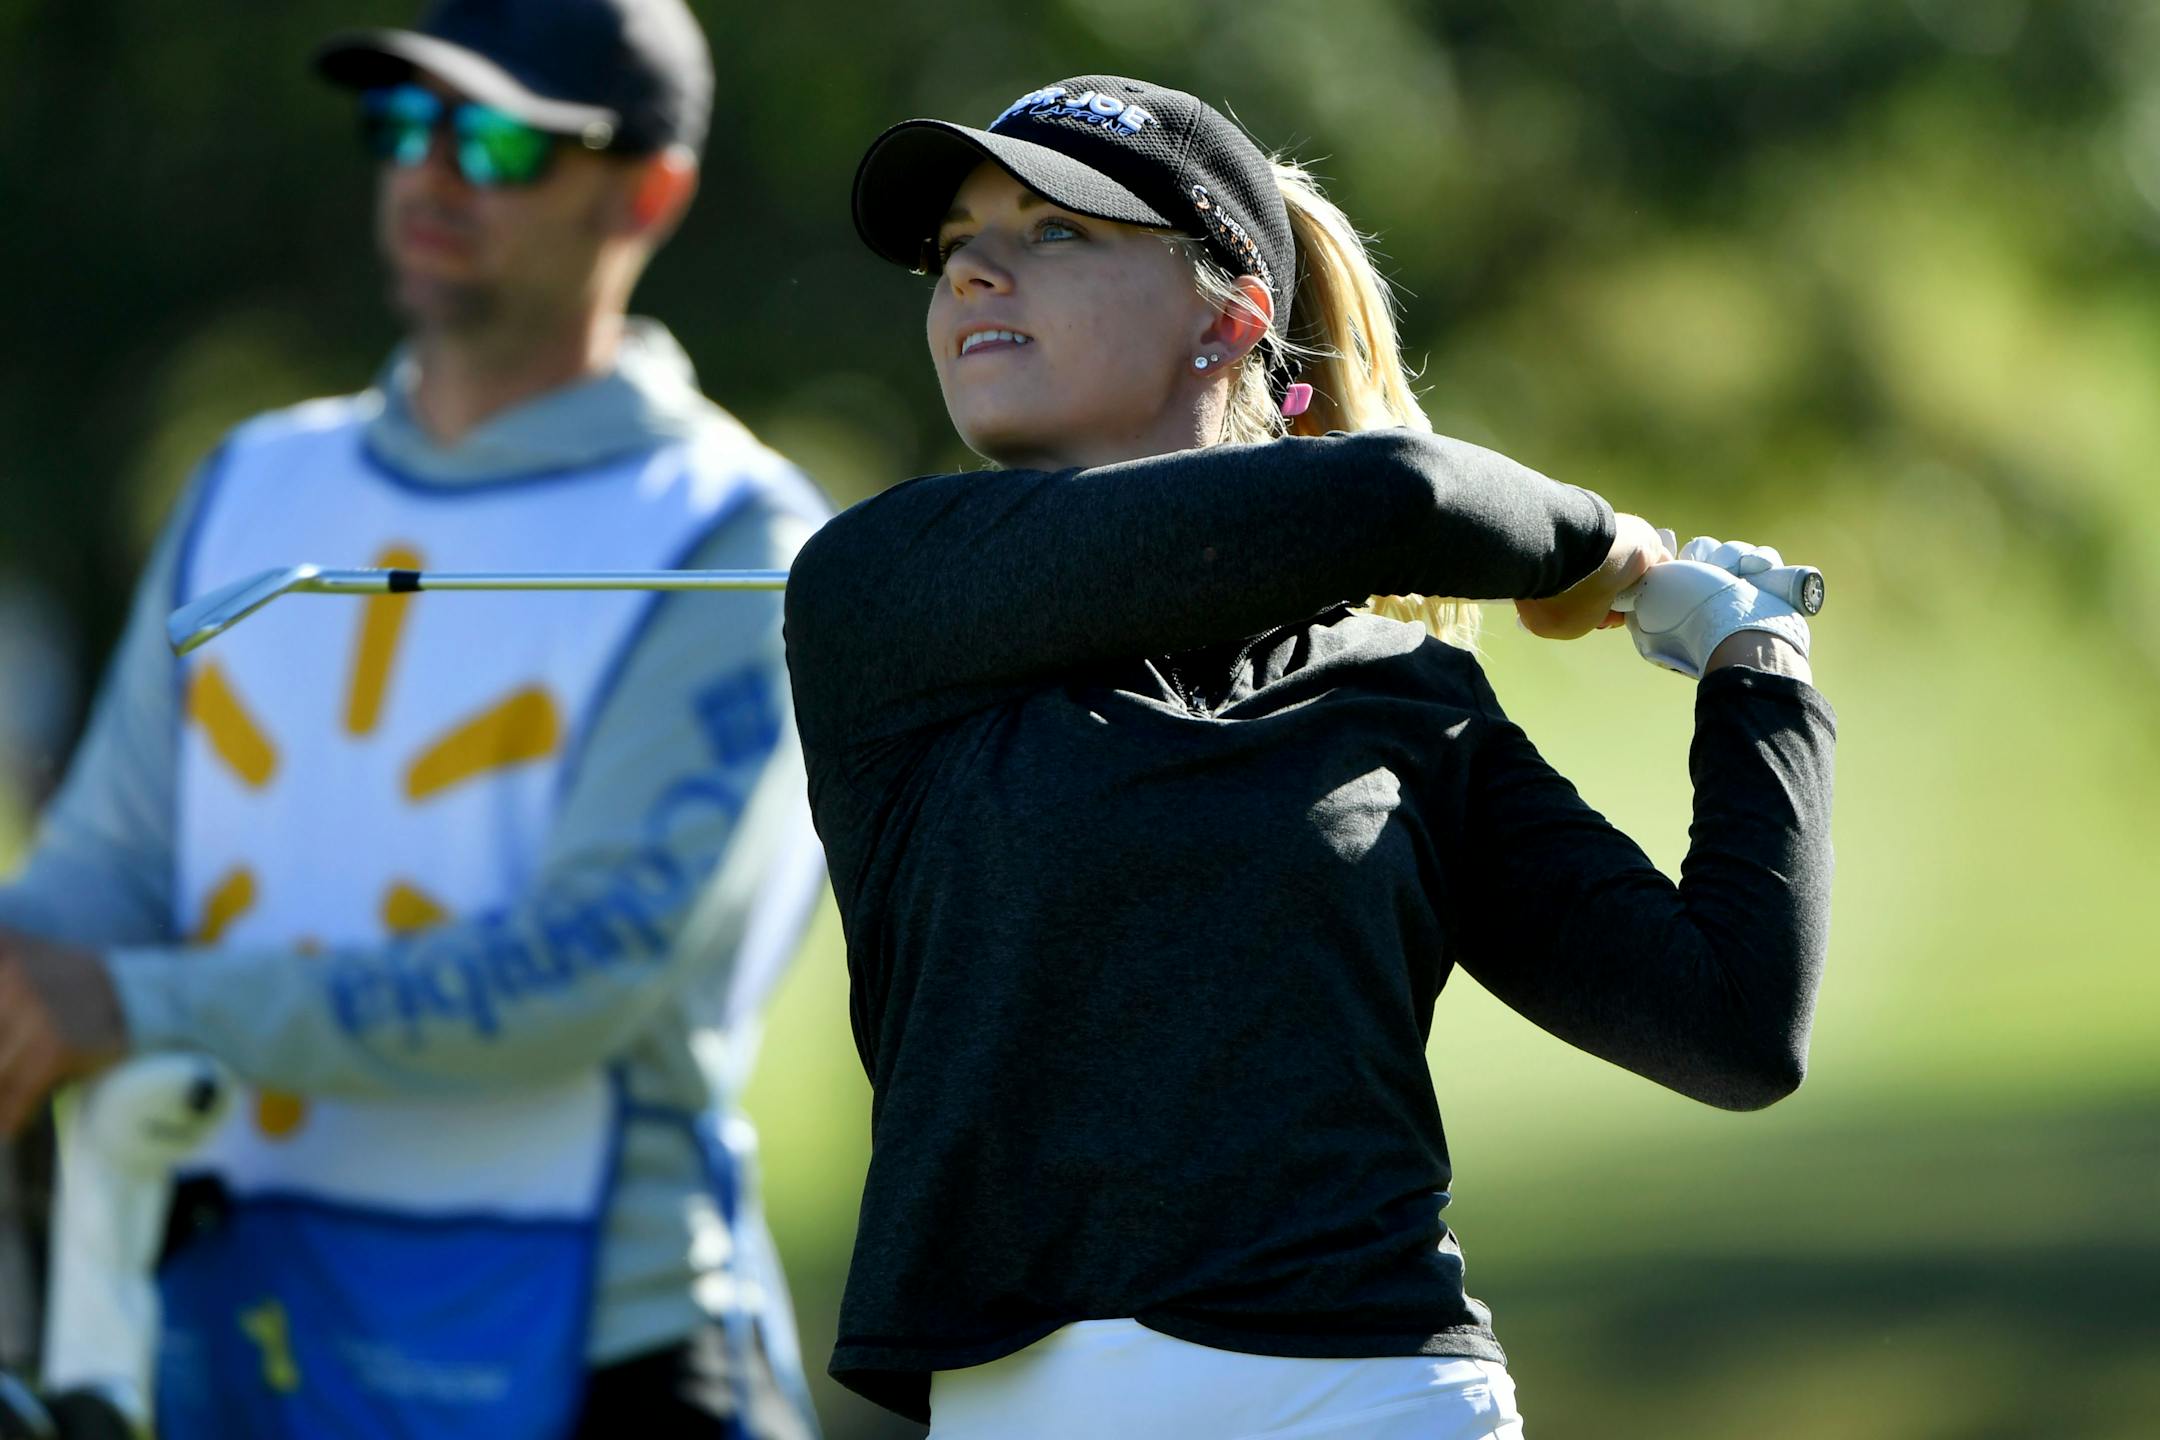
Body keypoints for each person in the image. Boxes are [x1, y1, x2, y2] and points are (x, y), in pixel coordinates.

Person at [783, 76, 1834, 1437]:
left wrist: (1758, 673)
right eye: (954, 246)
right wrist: (1612, 550)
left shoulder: (1405, 699)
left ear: (1228, 320)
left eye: (1055, 231)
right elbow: (1406, 493)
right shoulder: (885, 588)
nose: (974, 267)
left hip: (1383, 1396)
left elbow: (1733, 1026)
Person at [0, 2, 829, 1436]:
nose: (433, 173)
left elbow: (573, 978)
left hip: (601, 1343)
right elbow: (112, 862)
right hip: (239, 1308)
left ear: (651, 191)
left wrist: (131, 1004)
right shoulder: (251, 476)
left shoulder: (735, 531)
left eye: (504, 138)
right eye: (405, 124)